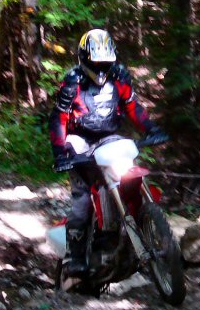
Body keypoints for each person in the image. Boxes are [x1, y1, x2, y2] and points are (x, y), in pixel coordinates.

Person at [49, 29, 167, 277]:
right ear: (84, 58)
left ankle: (137, 228)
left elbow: (132, 106)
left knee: (127, 176)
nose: (101, 69)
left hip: (108, 137)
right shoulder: (73, 80)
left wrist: (151, 128)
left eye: (105, 63)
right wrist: (60, 153)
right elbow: (59, 118)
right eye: (96, 63)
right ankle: (75, 256)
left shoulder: (120, 76)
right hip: (79, 140)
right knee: (82, 196)